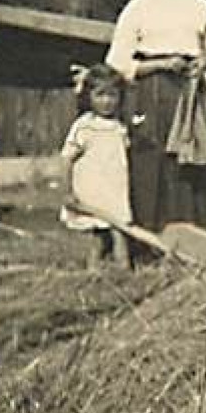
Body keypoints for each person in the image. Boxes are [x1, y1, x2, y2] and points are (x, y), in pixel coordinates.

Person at [106, 0, 206, 238]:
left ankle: (200, 235)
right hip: (152, 93)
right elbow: (117, 61)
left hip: (191, 92)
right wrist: (159, 65)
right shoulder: (137, 7)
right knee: (152, 161)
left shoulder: (199, 5)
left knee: (194, 163)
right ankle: (151, 237)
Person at [60, 63, 133, 270]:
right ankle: (93, 273)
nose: (107, 102)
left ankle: (124, 271)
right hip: (92, 191)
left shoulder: (120, 127)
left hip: (115, 190)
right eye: (100, 95)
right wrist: (67, 192)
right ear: (88, 96)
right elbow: (66, 159)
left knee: (120, 232)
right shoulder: (84, 126)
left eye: (112, 95)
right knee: (98, 237)